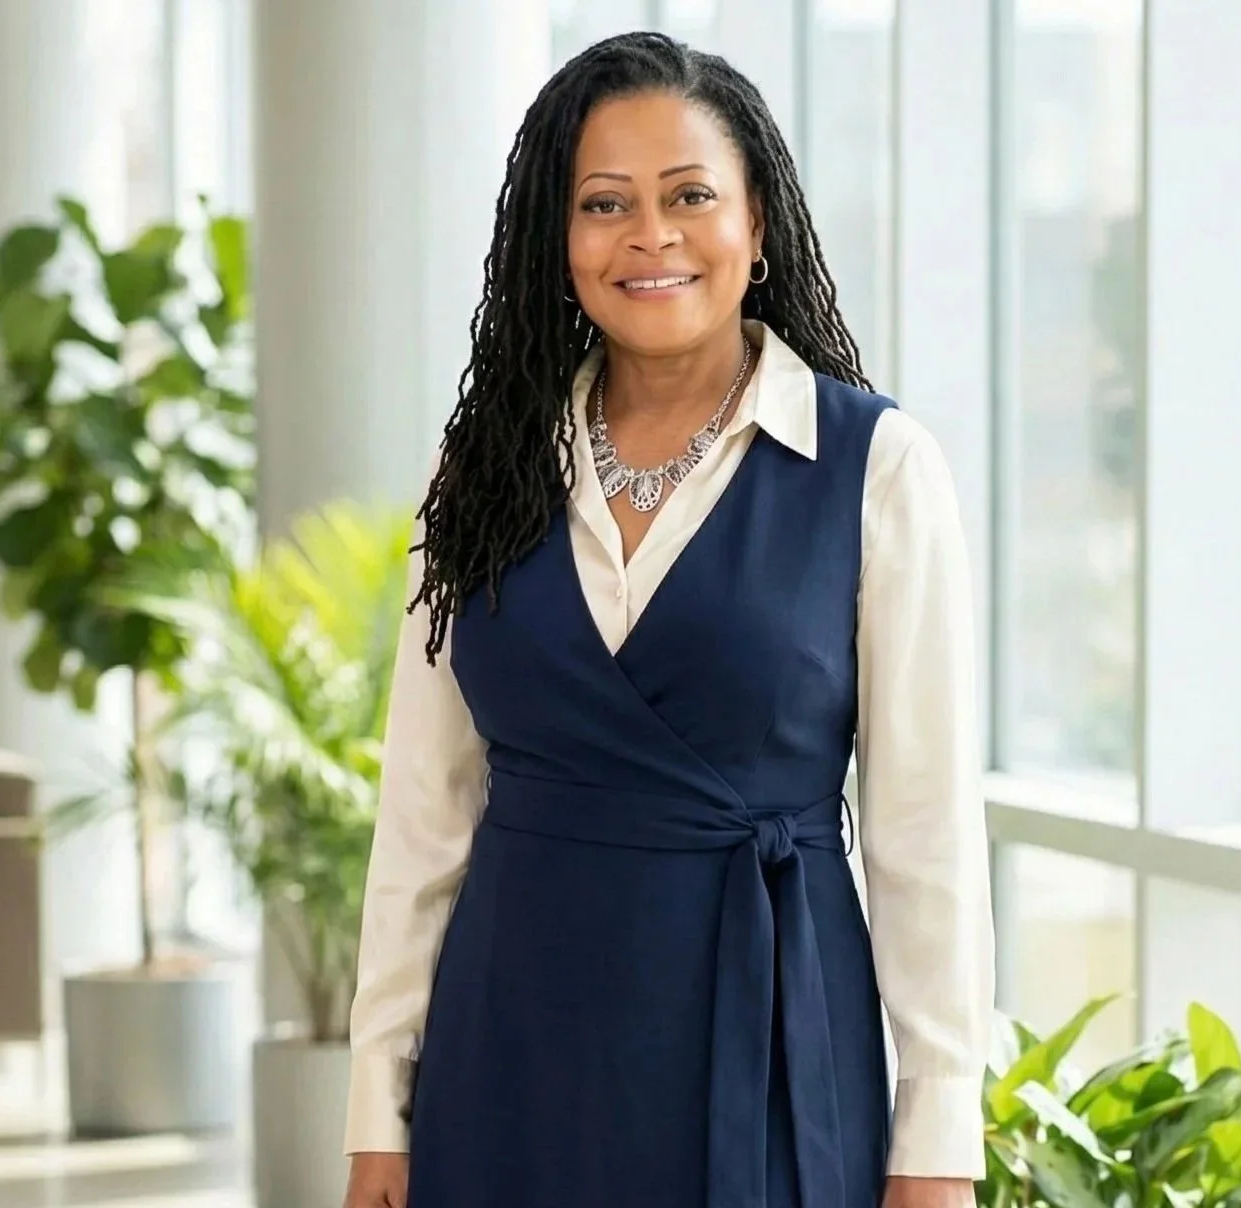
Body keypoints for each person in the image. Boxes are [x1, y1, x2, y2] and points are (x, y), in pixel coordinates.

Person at [343, 30, 994, 1208]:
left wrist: (937, 1142)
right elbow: (422, 810)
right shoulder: (479, 467)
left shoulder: (877, 467)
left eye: (690, 195)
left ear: (758, 224)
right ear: (558, 241)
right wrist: (376, 1108)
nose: (651, 235)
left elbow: (925, 833)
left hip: (767, 1031)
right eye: (605, 203)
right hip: (508, 1046)